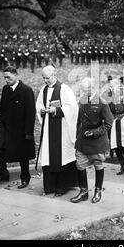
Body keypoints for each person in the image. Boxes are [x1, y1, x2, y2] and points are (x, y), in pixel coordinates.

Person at [35, 66, 79, 196]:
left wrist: (56, 110)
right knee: (48, 155)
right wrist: (42, 111)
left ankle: (62, 186)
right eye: (43, 78)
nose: (45, 80)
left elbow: (73, 108)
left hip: (62, 130)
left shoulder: (65, 89)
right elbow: (38, 106)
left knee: (62, 156)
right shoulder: (43, 90)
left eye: (47, 78)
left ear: (54, 75)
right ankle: (49, 186)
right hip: (48, 129)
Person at [0, 66, 36, 188]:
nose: (6, 80)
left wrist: (28, 132)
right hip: (5, 128)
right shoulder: (6, 89)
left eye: (8, 77)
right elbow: (2, 110)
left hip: (20, 130)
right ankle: (3, 175)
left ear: (16, 75)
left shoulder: (26, 90)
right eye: (4, 77)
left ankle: (25, 178)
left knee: (23, 156)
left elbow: (31, 113)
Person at [70, 77, 114, 204]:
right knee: (80, 165)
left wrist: (95, 132)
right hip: (82, 140)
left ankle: (98, 191)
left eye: (86, 89)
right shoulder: (83, 100)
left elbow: (109, 123)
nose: (84, 92)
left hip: (96, 142)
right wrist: (77, 135)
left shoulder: (102, 103)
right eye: (82, 89)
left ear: (93, 87)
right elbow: (79, 120)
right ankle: (83, 191)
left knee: (98, 165)